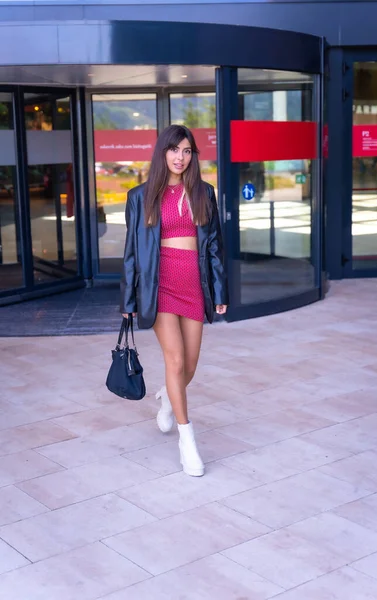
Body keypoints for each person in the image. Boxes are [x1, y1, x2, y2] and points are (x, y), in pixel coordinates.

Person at [121, 124, 228, 477]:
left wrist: (220, 290)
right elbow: (132, 253)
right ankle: (187, 440)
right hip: (160, 284)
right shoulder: (141, 196)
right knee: (176, 358)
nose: (180, 157)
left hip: (193, 285)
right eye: (173, 150)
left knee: (190, 366)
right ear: (162, 153)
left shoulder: (203, 192)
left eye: (186, 151)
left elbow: (214, 247)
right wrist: (128, 298)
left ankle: (168, 397)